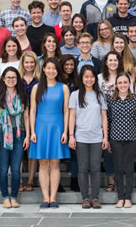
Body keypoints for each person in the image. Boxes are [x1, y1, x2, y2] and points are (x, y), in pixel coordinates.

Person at [29, 58, 71, 208]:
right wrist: (32, 131)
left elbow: (66, 111)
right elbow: (33, 111)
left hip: (57, 127)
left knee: (54, 163)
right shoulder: (36, 88)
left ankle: (53, 197)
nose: (51, 71)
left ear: (57, 70)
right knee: (43, 163)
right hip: (41, 127)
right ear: (44, 69)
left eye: (54, 68)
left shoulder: (63, 87)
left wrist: (65, 131)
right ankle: (45, 197)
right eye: (48, 68)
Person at [68, 65, 109, 209]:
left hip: (97, 137)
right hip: (81, 137)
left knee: (95, 168)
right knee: (83, 168)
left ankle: (95, 197)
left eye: (92, 76)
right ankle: (85, 197)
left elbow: (104, 117)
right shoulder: (75, 95)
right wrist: (71, 135)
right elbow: (72, 116)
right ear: (81, 78)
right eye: (86, 77)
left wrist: (105, 137)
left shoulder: (100, 95)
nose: (89, 79)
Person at [0, 67, 30, 208]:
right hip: (3, 134)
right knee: (3, 168)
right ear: (3, 79)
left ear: (17, 79)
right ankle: (5, 197)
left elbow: (26, 116)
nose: (11, 80)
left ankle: (14, 196)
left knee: (15, 169)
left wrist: (28, 136)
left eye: (14, 77)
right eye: (8, 77)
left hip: (19, 134)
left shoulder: (22, 95)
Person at [106, 72, 136, 208]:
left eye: (125, 82)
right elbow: (108, 121)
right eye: (120, 82)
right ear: (116, 85)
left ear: (129, 84)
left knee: (129, 168)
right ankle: (120, 197)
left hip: (131, 138)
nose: (122, 85)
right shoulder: (110, 100)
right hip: (115, 138)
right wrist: (108, 139)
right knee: (119, 169)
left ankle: (128, 197)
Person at [97, 51, 125, 191]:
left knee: (120, 151)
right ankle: (111, 180)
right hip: (103, 117)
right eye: (110, 60)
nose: (113, 62)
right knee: (107, 150)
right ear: (106, 62)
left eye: (116, 60)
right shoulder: (99, 78)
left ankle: (120, 179)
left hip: (120, 118)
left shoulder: (124, 77)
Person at [18, 51, 40, 192]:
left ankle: (31, 180)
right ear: (22, 63)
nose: (29, 65)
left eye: (32, 62)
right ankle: (19, 180)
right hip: (19, 117)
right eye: (27, 62)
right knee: (19, 151)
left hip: (36, 116)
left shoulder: (40, 80)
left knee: (32, 150)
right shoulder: (17, 78)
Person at [60, 55, 80, 192]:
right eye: (66, 64)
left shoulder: (77, 81)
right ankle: (58, 181)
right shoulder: (57, 81)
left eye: (71, 64)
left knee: (74, 152)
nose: (69, 67)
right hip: (59, 118)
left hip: (75, 118)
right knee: (59, 152)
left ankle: (74, 179)